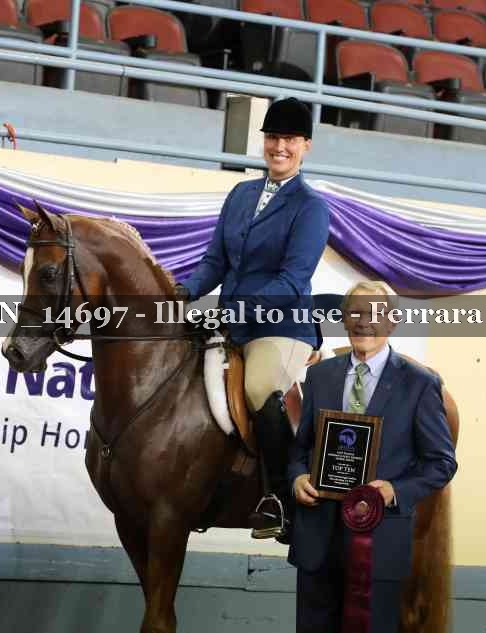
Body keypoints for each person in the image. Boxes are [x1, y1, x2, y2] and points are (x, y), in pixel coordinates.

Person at [174, 97, 330, 541]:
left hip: (281, 327)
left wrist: (233, 310)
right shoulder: (241, 194)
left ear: (306, 145)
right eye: (273, 138)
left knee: (260, 388)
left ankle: (280, 501)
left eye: (290, 140)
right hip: (232, 322)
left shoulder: (311, 207)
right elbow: (215, 261)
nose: (280, 147)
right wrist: (183, 291)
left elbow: (292, 280)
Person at [287, 281, 458, 633]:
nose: (364, 322)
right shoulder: (319, 376)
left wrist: (395, 490)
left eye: (375, 314)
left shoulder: (420, 383)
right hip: (318, 539)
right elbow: (300, 448)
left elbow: (442, 463)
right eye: (355, 313)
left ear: (393, 321)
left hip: (381, 541)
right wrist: (297, 477)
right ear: (344, 320)